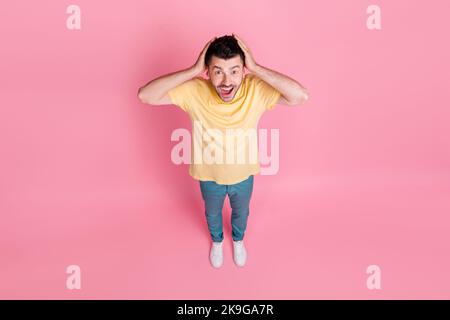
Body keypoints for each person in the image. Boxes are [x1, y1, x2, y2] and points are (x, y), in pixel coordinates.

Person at [138, 34, 309, 268]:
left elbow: (300, 96)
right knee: (212, 214)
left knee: (241, 214)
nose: (226, 81)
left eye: (234, 71)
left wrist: (257, 68)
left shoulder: (255, 90)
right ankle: (217, 241)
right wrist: (192, 70)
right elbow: (145, 95)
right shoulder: (195, 91)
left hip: (244, 176)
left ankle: (238, 240)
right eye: (218, 71)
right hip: (209, 178)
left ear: (244, 70)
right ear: (207, 72)